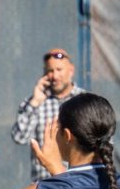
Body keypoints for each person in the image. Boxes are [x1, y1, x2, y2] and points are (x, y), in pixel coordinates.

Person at [10, 48, 84, 182]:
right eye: (50, 71)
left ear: (71, 70)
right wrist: (35, 102)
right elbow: (19, 137)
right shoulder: (34, 102)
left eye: (59, 70)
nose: (55, 76)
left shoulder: (85, 100)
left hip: (78, 185)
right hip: (44, 185)